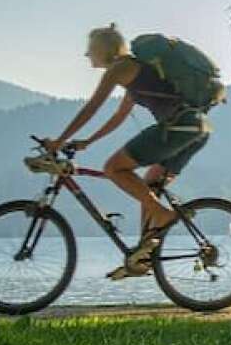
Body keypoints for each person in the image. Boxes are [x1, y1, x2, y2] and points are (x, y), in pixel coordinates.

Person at [41, 25, 215, 279]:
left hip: (177, 128)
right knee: (149, 185)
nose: (87, 55)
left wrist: (58, 141)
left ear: (102, 48)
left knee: (113, 168)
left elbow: (92, 108)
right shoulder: (133, 72)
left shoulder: (119, 69)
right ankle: (144, 254)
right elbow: (118, 116)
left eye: (90, 49)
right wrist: (87, 141)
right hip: (195, 129)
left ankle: (164, 216)